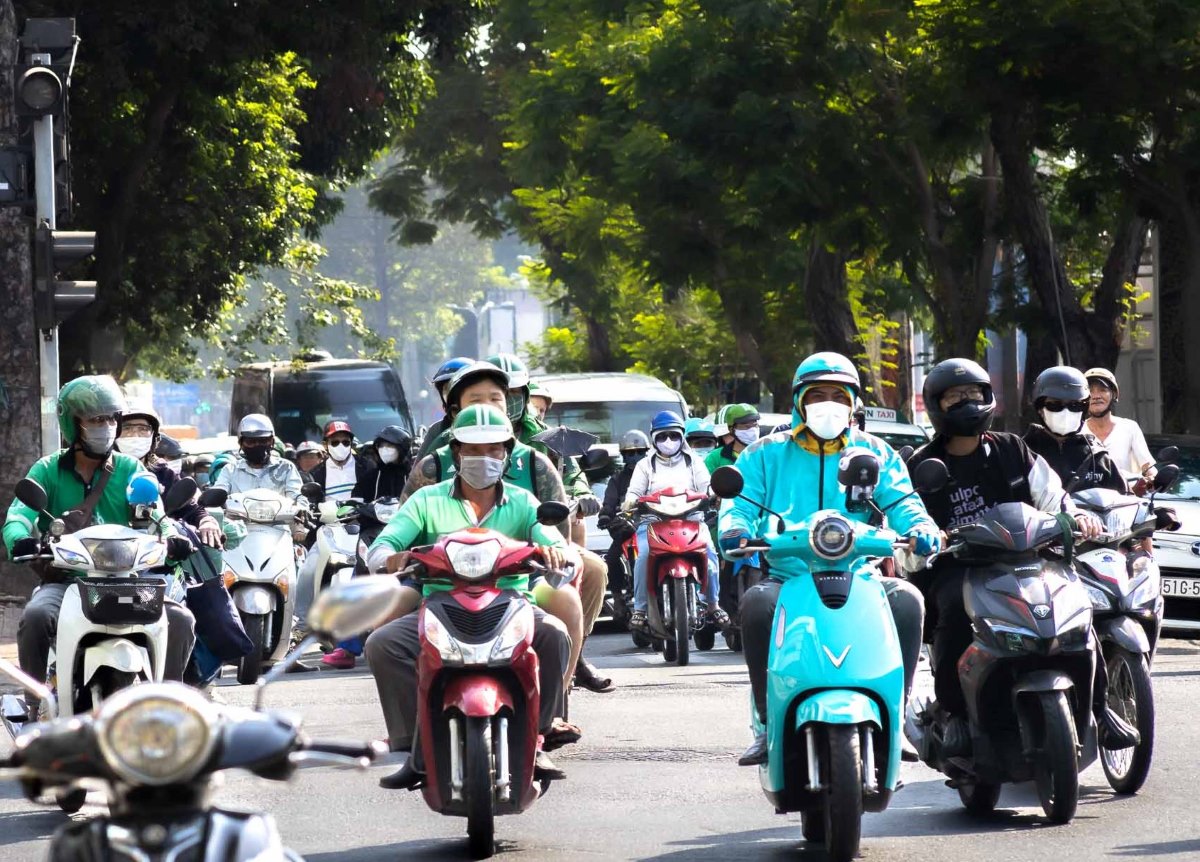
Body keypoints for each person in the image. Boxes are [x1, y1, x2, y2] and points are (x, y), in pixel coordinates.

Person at [718, 352, 942, 766]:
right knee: (756, 604)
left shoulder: (876, 452)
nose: (828, 404)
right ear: (799, 401)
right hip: (788, 575)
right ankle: (767, 722)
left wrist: (921, 529)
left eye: (838, 396)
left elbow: (904, 503)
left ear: (854, 403)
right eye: (817, 394)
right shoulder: (765, 453)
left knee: (908, 600)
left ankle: (897, 715)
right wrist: (734, 529)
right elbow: (739, 505)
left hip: (861, 574)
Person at [907, 359, 1131, 757]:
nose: (967, 403)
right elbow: (908, 520)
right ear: (937, 405)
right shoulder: (922, 465)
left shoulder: (1011, 448)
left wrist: (1074, 517)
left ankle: (1099, 707)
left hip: (1024, 559)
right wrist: (921, 541)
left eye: (974, 394)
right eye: (955, 397)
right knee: (954, 612)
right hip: (960, 569)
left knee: (1076, 607)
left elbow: (1051, 494)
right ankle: (954, 712)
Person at [363, 404, 576, 790]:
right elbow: (383, 545)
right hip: (440, 605)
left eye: (494, 448)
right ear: (456, 452)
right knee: (382, 644)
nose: (484, 457)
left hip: (511, 604)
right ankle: (415, 747)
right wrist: (391, 557)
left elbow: (557, 546)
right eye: (473, 449)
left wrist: (557, 555)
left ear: (506, 453)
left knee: (554, 634)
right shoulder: (426, 500)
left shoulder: (524, 502)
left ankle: (541, 736)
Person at [402, 365, 611, 693]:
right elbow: (405, 531)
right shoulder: (434, 464)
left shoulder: (537, 460)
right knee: (385, 634)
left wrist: (552, 551)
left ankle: (566, 676)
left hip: (524, 574)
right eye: (476, 401)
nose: (486, 409)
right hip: (442, 578)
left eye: (496, 399)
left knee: (582, 581)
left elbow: (558, 532)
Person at [3, 376, 197, 709]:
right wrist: (20, 539)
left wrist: (172, 537)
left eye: (110, 419)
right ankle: (36, 704)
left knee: (180, 620)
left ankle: (168, 708)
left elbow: (157, 515)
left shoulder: (130, 469)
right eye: (95, 419)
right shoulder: (48, 469)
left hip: (129, 581)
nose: (105, 427)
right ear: (72, 423)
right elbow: (18, 515)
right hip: (68, 582)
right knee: (35, 617)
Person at [624, 410, 730, 634]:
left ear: (682, 437)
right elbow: (634, 492)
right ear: (654, 439)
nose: (668, 441)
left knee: (710, 555)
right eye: (662, 436)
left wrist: (714, 494)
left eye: (673, 435)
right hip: (653, 522)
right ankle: (640, 609)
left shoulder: (694, 462)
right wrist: (630, 500)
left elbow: (707, 486)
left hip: (692, 520)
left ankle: (713, 604)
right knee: (643, 557)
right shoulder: (645, 465)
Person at [117, 406, 222, 547]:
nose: (135, 435)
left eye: (143, 429)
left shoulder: (163, 473)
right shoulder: (102, 471)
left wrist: (206, 521)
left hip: (154, 551)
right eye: (127, 428)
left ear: (154, 438)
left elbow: (189, 508)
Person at [1024, 366, 1126, 494]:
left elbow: (1125, 500)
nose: (1066, 412)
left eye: (1075, 405)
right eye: (1055, 405)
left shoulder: (1097, 457)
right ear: (1040, 408)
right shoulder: (1021, 453)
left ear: (1084, 409)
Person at [598, 430, 651, 609]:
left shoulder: (657, 474)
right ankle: (618, 598)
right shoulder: (617, 479)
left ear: (646, 453)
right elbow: (609, 502)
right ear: (623, 456)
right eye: (630, 453)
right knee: (611, 559)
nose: (634, 457)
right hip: (628, 528)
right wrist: (605, 515)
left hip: (656, 526)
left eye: (639, 452)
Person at [1084, 367, 1156, 490]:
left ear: (1114, 394)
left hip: (1125, 498)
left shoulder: (1129, 427)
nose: (1096, 396)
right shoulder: (1077, 431)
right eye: (1090, 391)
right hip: (1083, 500)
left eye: (1103, 390)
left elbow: (1148, 467)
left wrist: (1155, 480)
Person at [212, 414, 304, 501]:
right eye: (251, 442)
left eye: (263, 441)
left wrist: (301, 507)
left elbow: (297, 496)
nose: (257, 445)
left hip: (280, 513)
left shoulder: (286, 468)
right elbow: (220, 491)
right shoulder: (230, 470)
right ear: (241, 443)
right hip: (237, 513)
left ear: (272, 442)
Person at [414, 356, 474, 462]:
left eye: (459, 387)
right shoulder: (436, 430)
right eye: (447, 388)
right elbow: (419, 469)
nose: (453, 394)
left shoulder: (497, 426)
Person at [310, 420, 375, 503]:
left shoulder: (367, 466)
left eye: (345, 442)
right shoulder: (316, 473)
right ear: (325, 445)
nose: (341, 446)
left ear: (351, 443)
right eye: (335, 442)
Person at [704, 403, 761, 474]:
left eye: (755, 425)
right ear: (731, 429)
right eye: (746, 426)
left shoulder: (766, 454)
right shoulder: (714, 458)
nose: (752, 431)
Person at [366, 425, 414, 499]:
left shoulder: (413, 477)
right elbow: (356, 500)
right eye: (381, 446)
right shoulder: (371, 477)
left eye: (389, 445)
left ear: (402, 449)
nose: (384, 449)